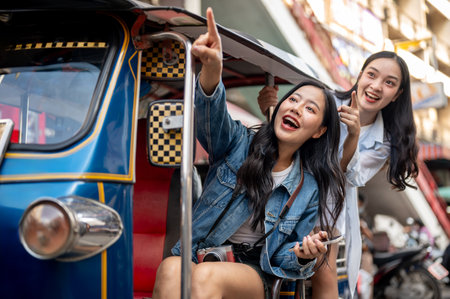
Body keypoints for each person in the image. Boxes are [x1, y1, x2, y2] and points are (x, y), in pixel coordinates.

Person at [152, 8, 346, 299]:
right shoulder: (239, 142)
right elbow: (210, 118)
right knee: (170, 267)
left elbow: (283, 260)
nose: (295, 107)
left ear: (319, 130)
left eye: (310, 108)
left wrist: (304, 255)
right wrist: (212, 71)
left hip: (253, 272)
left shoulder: (309, 187)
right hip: (200, 255)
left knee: (206, 275)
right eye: (293, 99)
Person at [258, 51, 419, 298]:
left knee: (323, 272)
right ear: (360, 75)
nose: (376, 86)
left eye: (389, 83)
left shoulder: (386, 140)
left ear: (397, 94)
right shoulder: (326, 101)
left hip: (326, 213)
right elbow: (286, 141)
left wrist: (353, 135)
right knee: (271, 272)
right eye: (372, 75)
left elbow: (348, 175)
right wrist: (270, 111)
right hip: (286, 199)